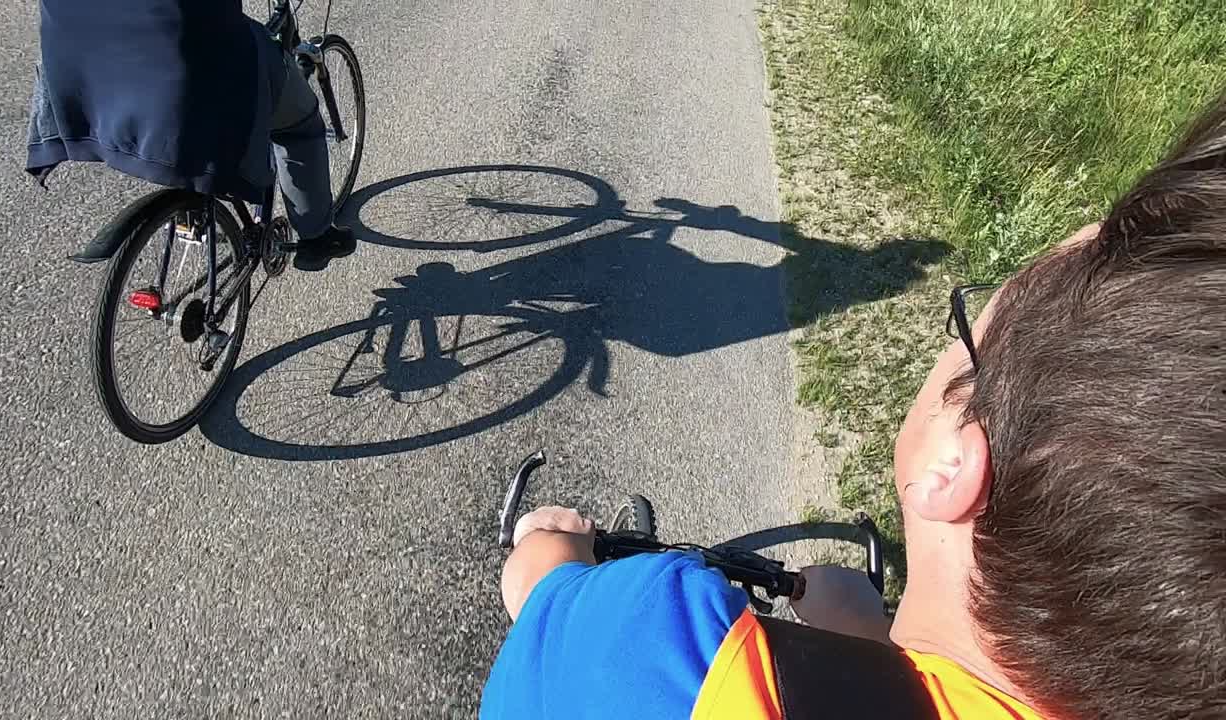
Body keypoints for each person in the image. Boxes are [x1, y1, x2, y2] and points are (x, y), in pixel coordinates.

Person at [481, 90, 1226, 720]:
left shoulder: (656, 642)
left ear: (952, 463)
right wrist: (871, 651)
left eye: (967, 330)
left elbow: (538, 586)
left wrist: (551, 541)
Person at [25, 0, 356, 271]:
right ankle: (315, 235)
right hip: (177, 46)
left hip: (76, 55)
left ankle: (194, 194)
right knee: (300, 123)